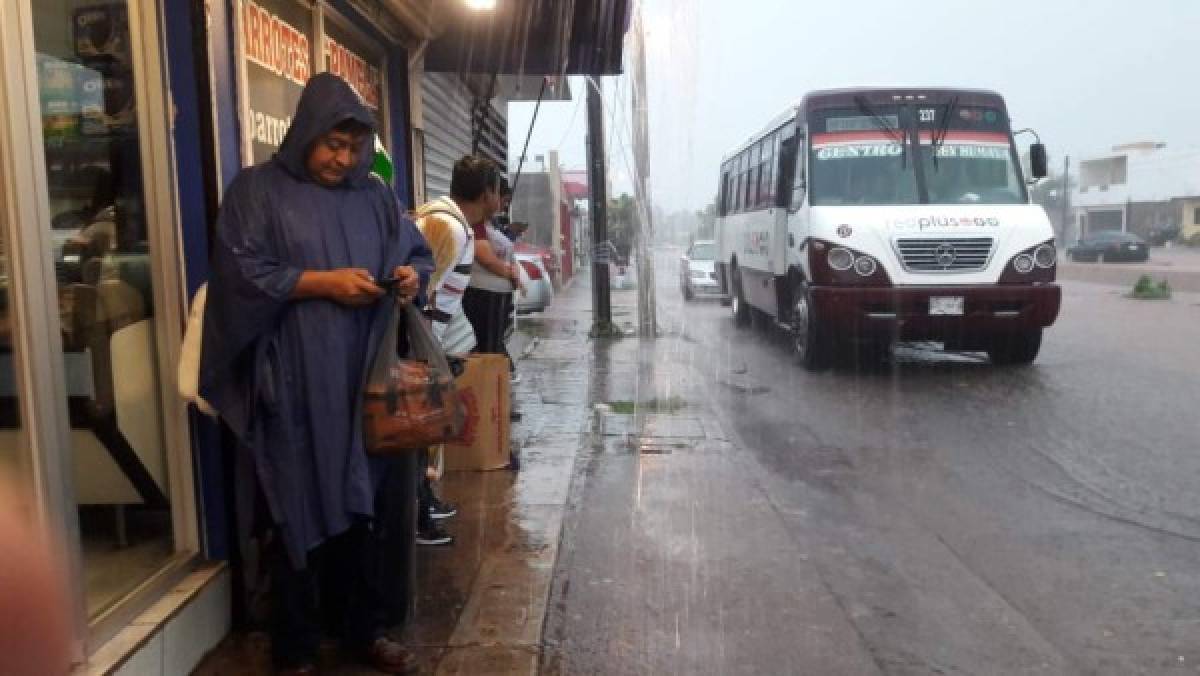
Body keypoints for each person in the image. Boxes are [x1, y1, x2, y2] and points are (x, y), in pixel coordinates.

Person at [199, 73, 432, 675]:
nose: (342, 158)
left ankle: (365, 632)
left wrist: (410, 277)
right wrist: (320, 283)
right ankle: (296, 648)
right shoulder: (257, 192)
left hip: (363, 382)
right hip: (296, 382)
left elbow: (414, 252)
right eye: (332, 144)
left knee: (366, 505)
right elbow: (238, 273)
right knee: (292, 505)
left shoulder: (375, 196)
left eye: (353, 149)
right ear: (305, 132)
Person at [413, 156, 505, 545]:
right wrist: (426, 354)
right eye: (498, 191)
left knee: (430, 433)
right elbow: (418, 292)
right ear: (487, 194)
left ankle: (425, 502)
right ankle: (419, 516)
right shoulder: (447, 228)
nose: (500, 199)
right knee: (419, 431)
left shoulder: (455, 225)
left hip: (431, 346)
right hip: (421, 350)